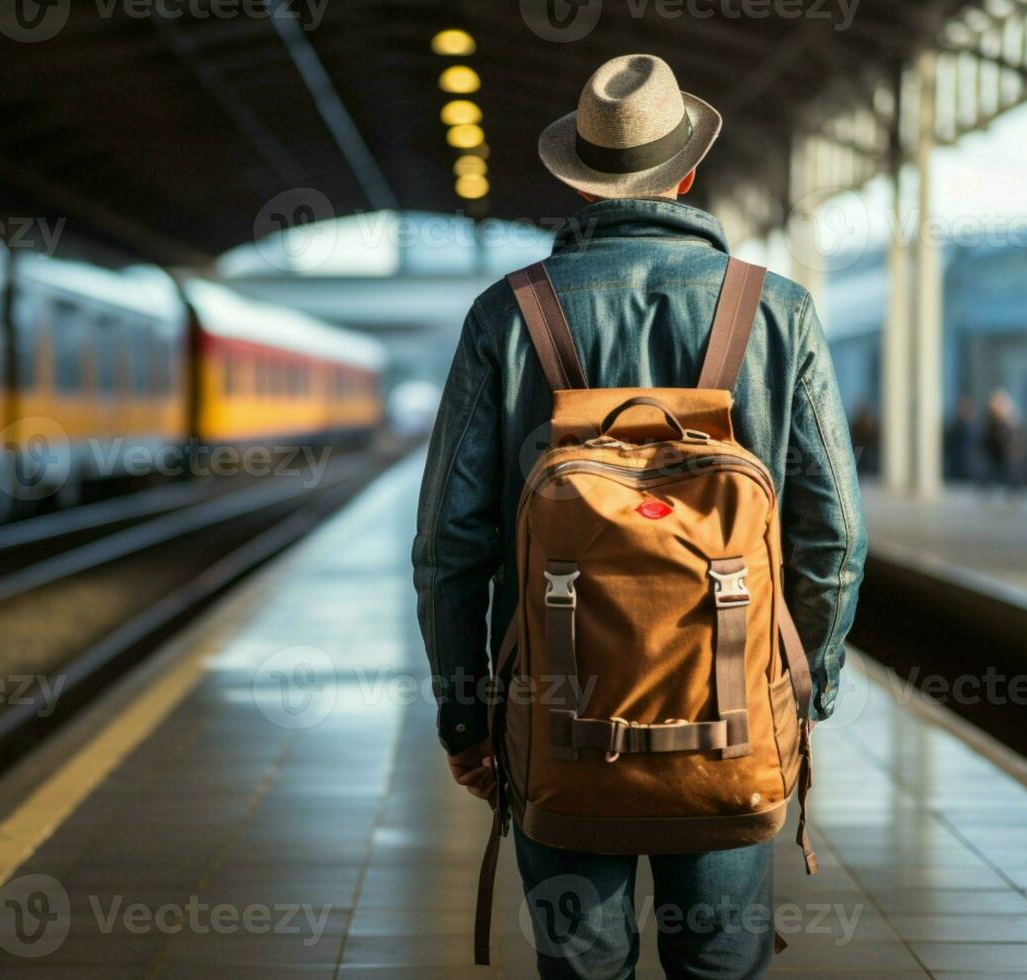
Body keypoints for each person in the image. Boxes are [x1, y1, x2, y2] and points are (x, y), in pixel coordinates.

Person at [412, 54, 866, 979]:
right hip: (733, 718)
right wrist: (802, 690)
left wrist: (467, 718)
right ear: (688, 173)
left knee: (581, 968)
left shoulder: (508, 318)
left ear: (578, 177)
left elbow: (447, 550)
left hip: (554, 719)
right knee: (720, 968)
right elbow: (836, 538)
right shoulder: (775, 313)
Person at [981, 388, 1025, 500]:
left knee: (1011, 472)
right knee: (992, 471)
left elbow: (1017, 436)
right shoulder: (991, 420)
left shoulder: (1012, 418)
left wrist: (1016, 448)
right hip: (995, 451)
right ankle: (986, 490)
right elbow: (987, 437)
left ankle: (1014, 492)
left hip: (1008, 451)